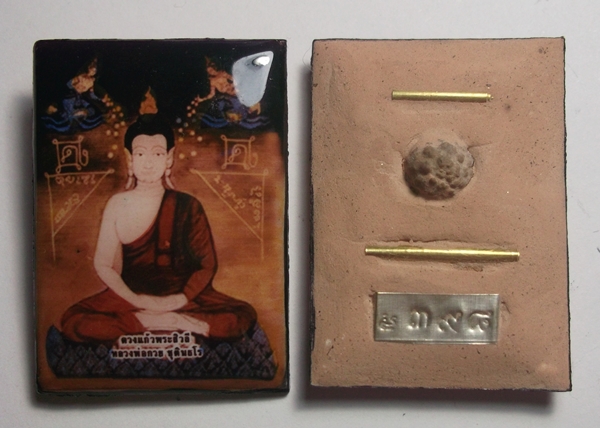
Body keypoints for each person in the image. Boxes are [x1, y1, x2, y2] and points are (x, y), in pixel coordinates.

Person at [60, 114, 257, 344]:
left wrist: (178, 300)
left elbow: (207, 265)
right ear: (129, 158)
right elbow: (103, 264)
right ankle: (154, 321)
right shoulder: (116, 205)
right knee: (75, 321)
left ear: (169, 158)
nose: (148, 163)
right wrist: (136, 300)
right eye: (140, 154)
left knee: (241, 315)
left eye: (157, 154)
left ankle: (168, 319)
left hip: (184, 299)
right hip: (131, 297)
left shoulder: (188, 205)